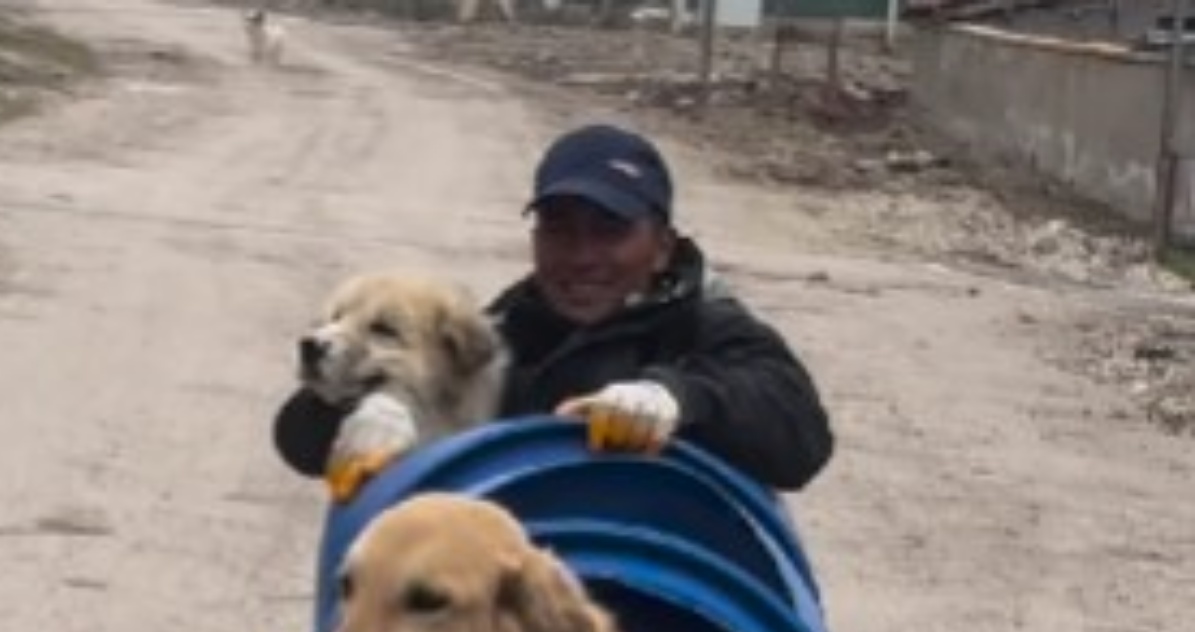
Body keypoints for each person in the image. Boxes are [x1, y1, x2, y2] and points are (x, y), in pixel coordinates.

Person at [273, 123, 836, 494]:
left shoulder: (707, 325)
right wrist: (365, 412)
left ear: (662, 245)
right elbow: (300, 443)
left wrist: (676, 398)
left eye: (609, 231)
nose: (582, 256)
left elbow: (800, 441)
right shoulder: (503, 336)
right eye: (559, 230)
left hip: (663, 597)